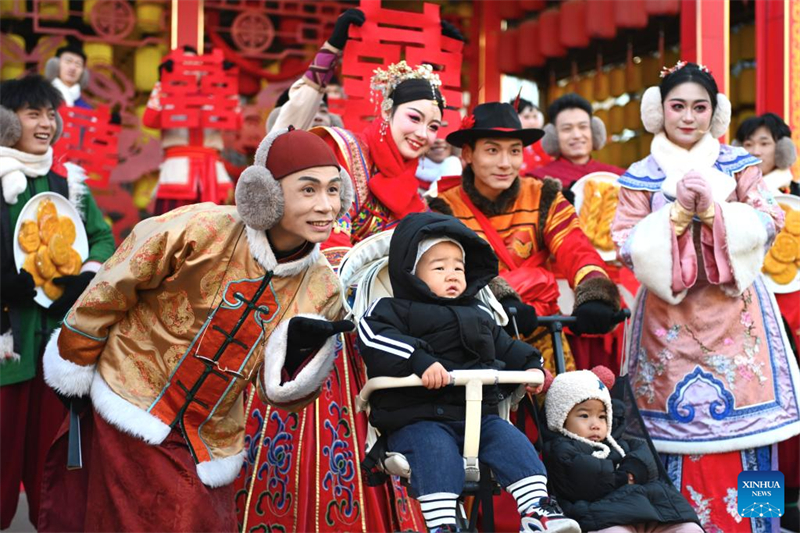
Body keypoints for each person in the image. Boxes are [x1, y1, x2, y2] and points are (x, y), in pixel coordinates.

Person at [39, 126, 355, 531]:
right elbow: (112, 287)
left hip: (211, 436)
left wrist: (297, 365)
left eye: (333, 190)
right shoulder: (201, 228)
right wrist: (74, 361)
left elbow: (279, 395)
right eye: (309, 190)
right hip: (133, 393)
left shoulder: (324, 287)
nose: (327, 206)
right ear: (264, 195)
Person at [612, 61, 800, 532]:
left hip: (739, 319)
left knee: (755, 436)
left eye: (700, 107)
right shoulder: (641, 174)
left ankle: (763, 526)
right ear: (659, 111)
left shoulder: (739, 164)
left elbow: (770, 219)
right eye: (678, 106)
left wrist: (718, 215)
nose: (688, 117)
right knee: (671, 443)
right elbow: (624, 241)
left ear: (716, 113)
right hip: (666, 323)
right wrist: (674, 218)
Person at [357, 211, 580, 533]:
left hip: (478, 415)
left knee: (514, 443)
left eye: (458, 268)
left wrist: (531, 364)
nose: (452, 275)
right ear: (411, 274)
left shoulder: (477, 312)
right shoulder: (391, 310)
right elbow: (375, 339)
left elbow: (504, 345)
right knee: (435, 451)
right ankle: (443, 524)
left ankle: (537, 509)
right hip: (418, 415)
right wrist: (419, 361)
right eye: (439, 267)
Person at [430, 102, 625, 374]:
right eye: (492, 150)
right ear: (467, 154)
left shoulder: (543, 196)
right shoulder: (444, 208)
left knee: (559, 411)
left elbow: (575, 248)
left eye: (514, 151)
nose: (505, 163)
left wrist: (595, 295)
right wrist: (497, 302)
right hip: (477, 337)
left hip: (541, 327)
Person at [0, 74, 115, 530]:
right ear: (8, 122)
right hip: (6, 347)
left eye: (51, 114)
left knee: (51, 460)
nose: (46, 123)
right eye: (33, 114)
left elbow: (103, 237)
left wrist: (84, 277)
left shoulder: (69, 183)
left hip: (54, 346)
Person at [542, 367, 702, 533]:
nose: (595, 424)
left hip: (648, 513)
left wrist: (633, 470)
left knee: (688, 528)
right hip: (602, 517)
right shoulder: (560, 448)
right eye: (584, 416)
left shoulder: (619, 443)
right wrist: (623, 477)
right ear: (560, 418)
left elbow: (645, 458)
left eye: (602, 416)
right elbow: (585, 479)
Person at [142, 46, 239, 215]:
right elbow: (149, 120)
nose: (189, 69)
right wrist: (162, 81)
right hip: (178, 170)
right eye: (183, 64)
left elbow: (236, 121)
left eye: (193, 64)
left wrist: (227, 82)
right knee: (172, 226)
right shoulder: (167, 95)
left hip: (212, 172)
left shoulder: (214, 95)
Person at [531, 93, 624, 194]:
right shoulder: (537, 180)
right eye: (567, 129)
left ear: (594, 130)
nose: (577, 135)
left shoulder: (618, 177)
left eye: (583, 127)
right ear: (553, 135)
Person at [736, 113, 798, 195]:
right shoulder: (728, 191)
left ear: (782, 149)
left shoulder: (796, 194)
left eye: (764, 143)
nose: (755, 152)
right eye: (748, 144)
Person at [44, 42, 92, 109]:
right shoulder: (42, 97)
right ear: (56, 65)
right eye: (68, 62)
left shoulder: (86, 108)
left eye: (78, 64)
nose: (73, 68)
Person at [514, 98, 552, 176]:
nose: (532, 122)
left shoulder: (543, 141)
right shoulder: (510, 142)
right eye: (526, 117)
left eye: (535, 117)